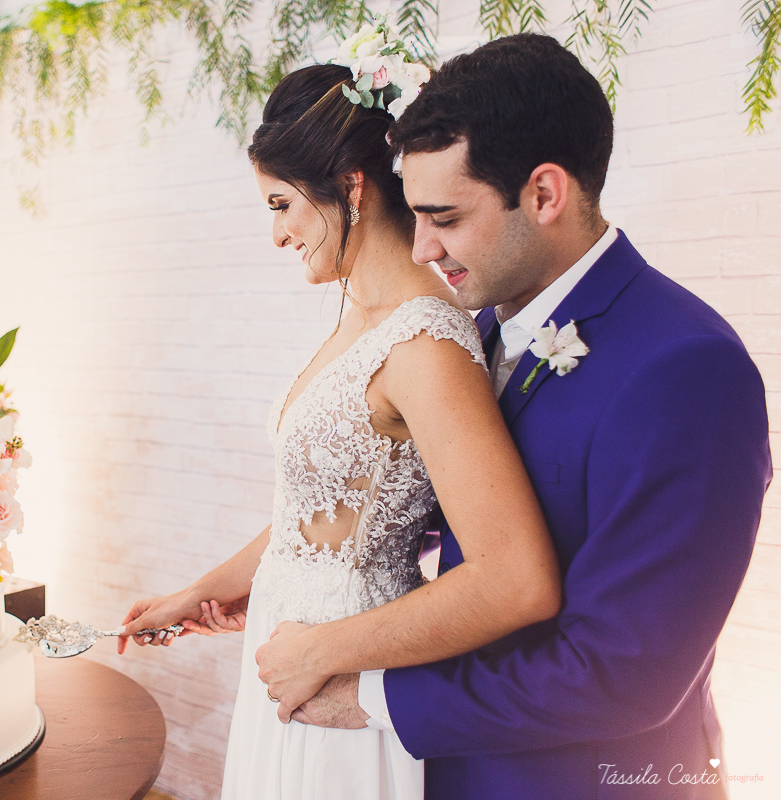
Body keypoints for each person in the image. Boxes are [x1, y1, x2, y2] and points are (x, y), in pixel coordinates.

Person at [251, 33, 772, 799]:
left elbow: (626, 672)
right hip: (450, 770)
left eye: (446, 217)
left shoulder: (689, 369)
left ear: (545, 194)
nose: (422, 245)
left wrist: (374, 695)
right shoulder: (480, 328)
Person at [118, 21, 567, 798]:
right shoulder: (357, 319)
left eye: (283, 204)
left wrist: (325, 650)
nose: (278, 233)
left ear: (352, 187)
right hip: (291, 646)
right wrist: (205, 588)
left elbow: (517, 575)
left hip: (346, 662)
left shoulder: (426, 342)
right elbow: (315, 512)